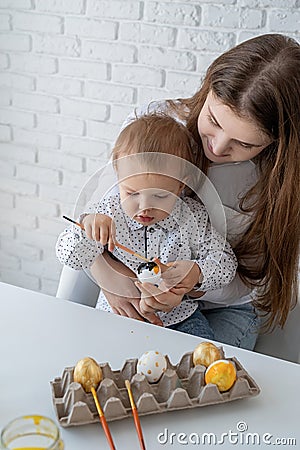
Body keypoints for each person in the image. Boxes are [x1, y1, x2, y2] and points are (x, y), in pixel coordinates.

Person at [57, 33, 300, 351]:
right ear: (208, 86)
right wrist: (114, 281)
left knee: (199, 376)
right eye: (213, 120)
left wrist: (191, 282)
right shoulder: (154, 125)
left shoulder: (277, 182)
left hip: (223, 304)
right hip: (127, 285)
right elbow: (100, 214)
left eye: (245, 143)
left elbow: (248, 285)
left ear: (276, 142)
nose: (218, 146)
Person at [56, 113, 237, 338]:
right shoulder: (108, 211)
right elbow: (70, 256)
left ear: (182, 185)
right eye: (132, 193)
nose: (144, 208)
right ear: (118, 176)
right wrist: (86, 227)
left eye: (160, 196)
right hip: (117, 315)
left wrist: (197, 273)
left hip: (181, 320)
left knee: (202, 359)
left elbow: (225, 263)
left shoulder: (192, 217)